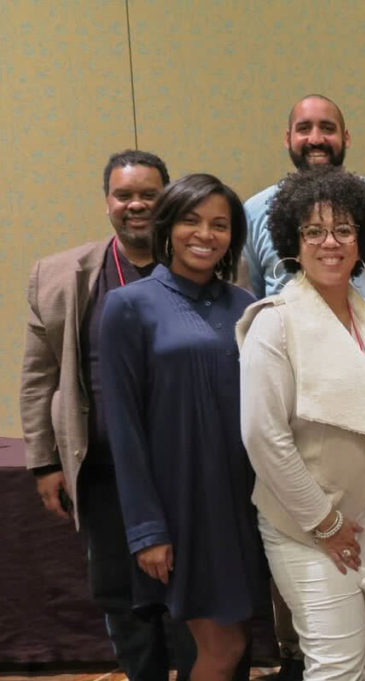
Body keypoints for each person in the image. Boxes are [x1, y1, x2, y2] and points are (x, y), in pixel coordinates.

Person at [238, 167, 365, 681]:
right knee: (335, 668)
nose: (330, 242)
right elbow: (263, 436)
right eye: (314, 231)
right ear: (291, 243)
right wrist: (324, 522)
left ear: (361, 239)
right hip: (308, 526)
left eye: (343, 230)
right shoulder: (273, 322)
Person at [19, 149, 196, 680]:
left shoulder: (203, 267)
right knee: (122, 598)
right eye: (125, 195)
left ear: (169, 200)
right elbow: (38, 377)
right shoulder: (59, 276)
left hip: (185, 468)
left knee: (189, 595)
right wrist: (44, 463)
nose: (137, 204)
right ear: (107, 203)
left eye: (150, 194)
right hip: (103, 470)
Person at [100, 174, 266, 681]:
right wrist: (146, 530)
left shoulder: (245, 306)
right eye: (192, 220)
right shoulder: (130, 306)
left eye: (219, 224)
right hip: (181, 506)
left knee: (236, 643)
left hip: (242, 503)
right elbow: (123, 428)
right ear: (168, 226)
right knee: (220, 647)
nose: (205, 234)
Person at [243, 93, 365, 307]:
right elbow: (246, 299)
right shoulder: (254, 211)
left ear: (346, 138)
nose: (316, 139)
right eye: (304, 129)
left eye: (328, 128)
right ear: (287, 138)